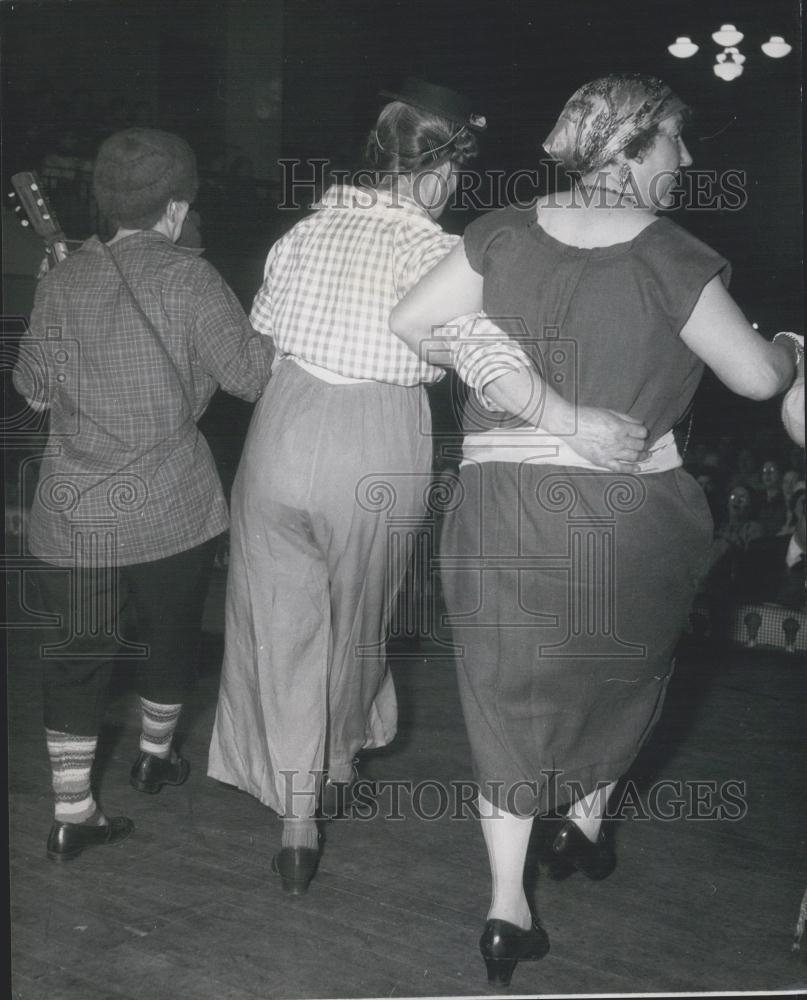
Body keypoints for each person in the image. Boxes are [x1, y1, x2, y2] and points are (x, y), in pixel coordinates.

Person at [390, 73, 803, 987]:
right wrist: (789, 346)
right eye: (672, 144)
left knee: (499, 696)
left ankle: (506, 908)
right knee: (623, 676)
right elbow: (755, 383)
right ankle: (582, 823)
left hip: (496, 506)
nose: (686, 161)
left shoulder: (499, 231)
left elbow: (415, 321)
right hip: (623, 516)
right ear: (628, 148)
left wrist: (527, 397)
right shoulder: (669, 253)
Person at [207, 78, 648, 897]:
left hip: (279, 428)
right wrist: (570, 420)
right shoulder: (432, 253)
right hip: (374, 442)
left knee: (279, 622)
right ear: (440, 175)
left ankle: (296, 821)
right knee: (355, 622)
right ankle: (331, 765)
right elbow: (482, 353)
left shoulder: (301, 233)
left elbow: (258, 344)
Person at [12, 127, 274, 862]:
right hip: (170, 508)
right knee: (171, 636)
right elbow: (252, 377)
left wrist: (53, 295)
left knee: (75, 656)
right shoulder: (191, 278)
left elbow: (31, 390)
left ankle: (72, 811)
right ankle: (157, 758)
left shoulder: (63, 279)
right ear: (176, 204)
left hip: (75, 515)